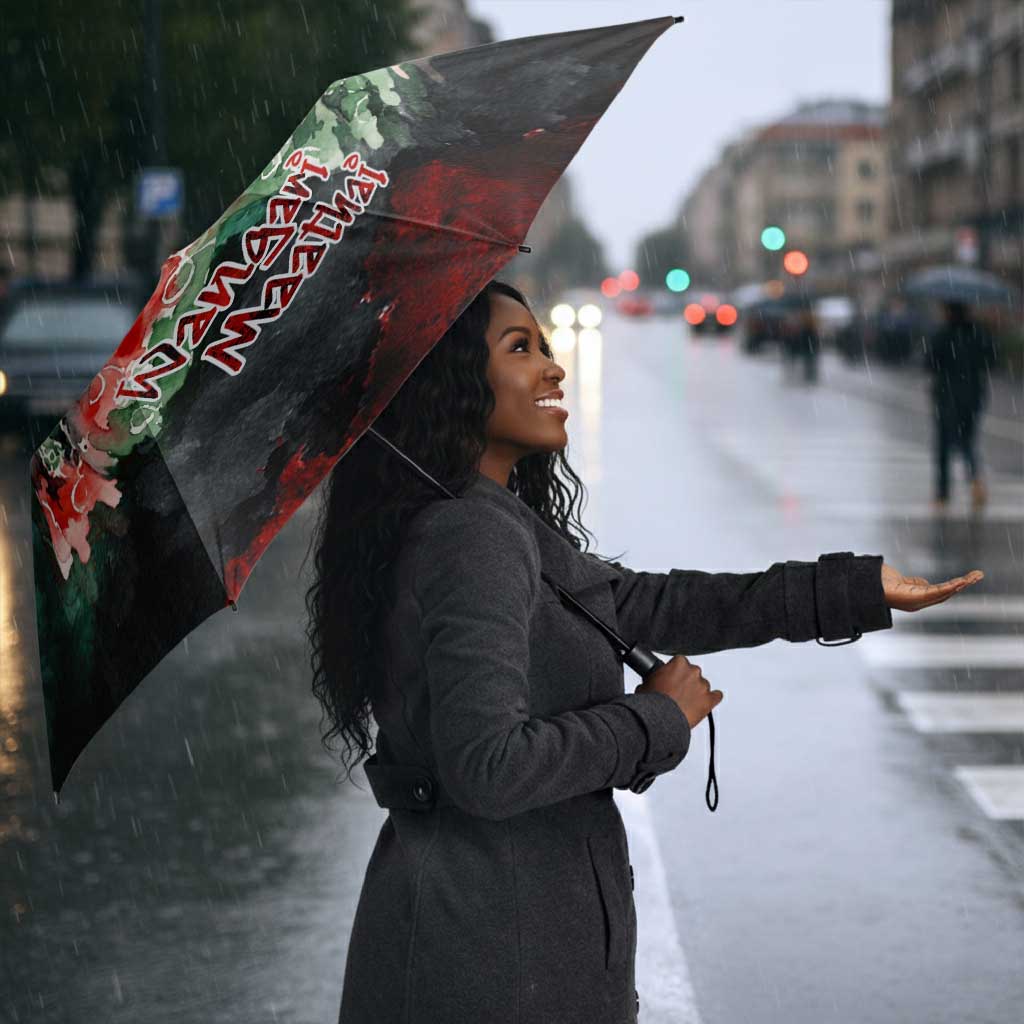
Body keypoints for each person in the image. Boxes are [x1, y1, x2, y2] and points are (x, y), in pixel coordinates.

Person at [309, 279, 982, 1024]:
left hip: (487, 936)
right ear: (453, 382)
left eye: (544, 345)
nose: (554, 367)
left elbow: (657, 602)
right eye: (521, 348)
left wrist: (854, 590)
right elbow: (489, 768)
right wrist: (656, 719)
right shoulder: (475, 536)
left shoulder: (488, 522)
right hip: (498, 955)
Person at [926, 300, 999, 514]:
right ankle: (975, 478)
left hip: (946, 396)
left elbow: (929, 362)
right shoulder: (979, 333)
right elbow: (992, 360)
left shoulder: (943, 334)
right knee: (967, 440)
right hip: (973, 395)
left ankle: (942, 494)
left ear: (948, 311)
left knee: (942, 446)